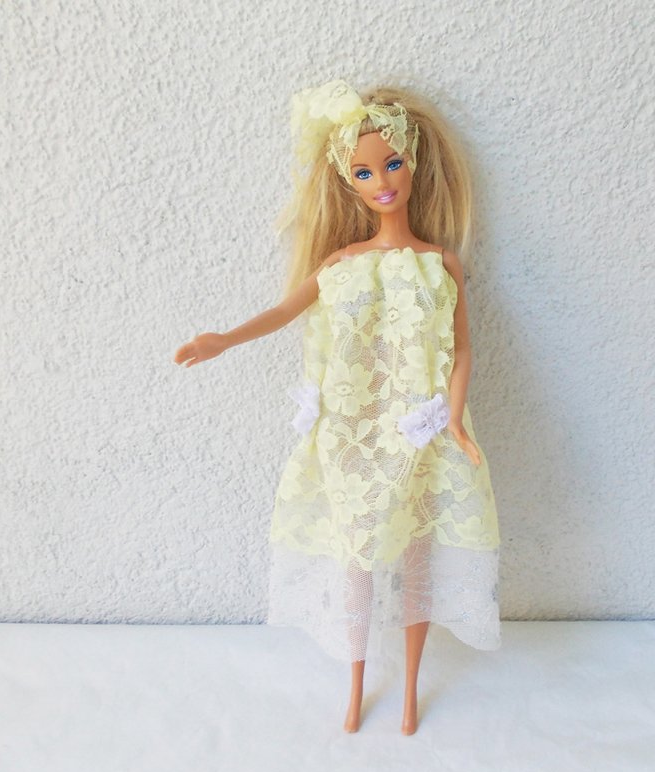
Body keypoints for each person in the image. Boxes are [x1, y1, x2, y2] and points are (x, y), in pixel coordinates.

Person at [173, 80, 500, 735]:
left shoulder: (440, 264)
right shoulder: (341, 265)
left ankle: (409, 691)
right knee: (356, 557)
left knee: (418, 553)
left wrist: (455, 419)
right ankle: (354, 690)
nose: (382, 181)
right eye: (364, 172)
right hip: (353, 435)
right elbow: (283, 312)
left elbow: (462, 348)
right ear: (349, 183)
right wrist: (224, 339)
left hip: (422, 430)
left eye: (392, 164)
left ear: (413, 164)